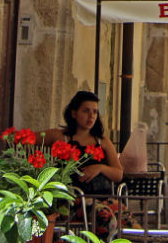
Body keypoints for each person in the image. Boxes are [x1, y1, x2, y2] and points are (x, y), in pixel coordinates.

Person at [45, 90, 125, 238]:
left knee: (126, 218)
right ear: (74, 113)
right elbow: (25, 138)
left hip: (103, 198)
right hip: (74, 200)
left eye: (95, 112)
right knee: (105, 216)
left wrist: (100, 167)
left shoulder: (102, 141)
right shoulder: (62, 137)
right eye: (86, 111)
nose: (91, 116)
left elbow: (118, 174)